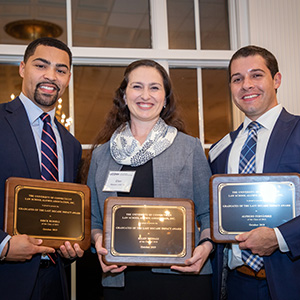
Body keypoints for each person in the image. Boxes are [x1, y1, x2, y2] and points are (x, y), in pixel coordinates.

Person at [84, 59, 214, 299]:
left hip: (183, 277)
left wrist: (205, 248)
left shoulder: (189, 147)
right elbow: (93, 219)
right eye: (137, 87)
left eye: (154, 87)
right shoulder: (102, 154)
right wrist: (99, 240)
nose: (146, 95)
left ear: (165, 99)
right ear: (124, 96)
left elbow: (208, 214)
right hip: (120, 280)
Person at [209, 45, 300, 300]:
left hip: (291, 280)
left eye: (256, 75)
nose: (246, 85)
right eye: (237, 79)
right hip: (236, 285)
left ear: (277, 79)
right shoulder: (219, 150)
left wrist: (279, 237)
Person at [0, 37, 83, 300]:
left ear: (68, 78)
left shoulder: (71, 145)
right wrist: (2, 245)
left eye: (61, 70)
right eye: (41, 66)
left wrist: (71, 245)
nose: (51, 76)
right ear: (22, 68)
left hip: (55, 281)